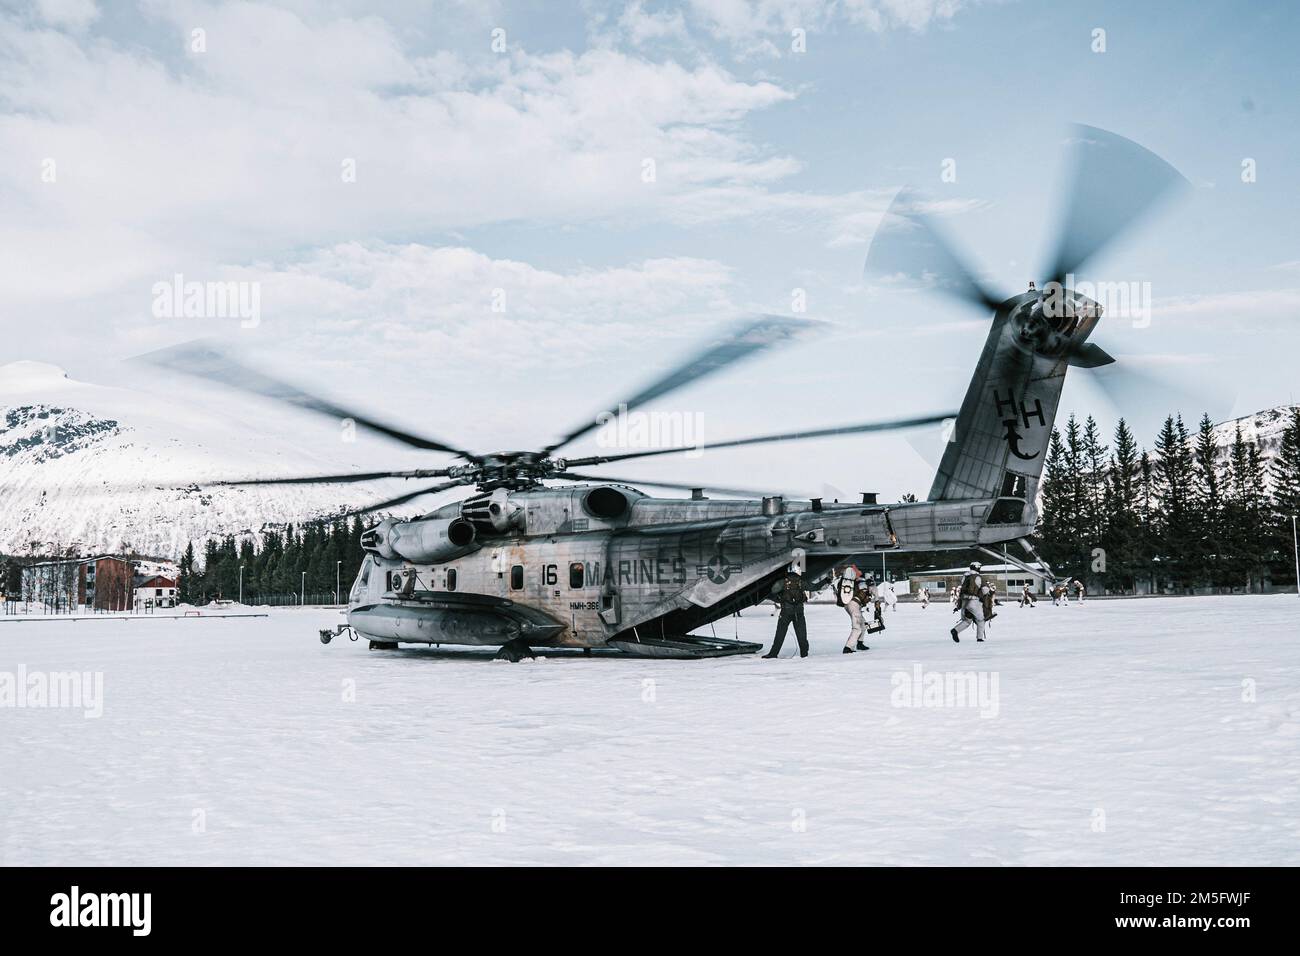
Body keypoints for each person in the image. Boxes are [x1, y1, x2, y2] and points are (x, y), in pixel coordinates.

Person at [763, 565, 810, 658]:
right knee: (802, 635)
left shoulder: (782, 582)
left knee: (780, 634)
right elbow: (815, 587)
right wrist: (826, 581)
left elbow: (773, 590)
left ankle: (773, 654)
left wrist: (779, 597)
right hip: (799, 613)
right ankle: (804, 654)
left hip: (785, 613)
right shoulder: (801, 582)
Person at [836, 566, 870, 654]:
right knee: (857, 627)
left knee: (862, 623)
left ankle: (860, 643)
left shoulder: (843, 583)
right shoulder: (857, 583)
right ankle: (848, 647)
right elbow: (864, 594)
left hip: (847, 605)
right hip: (854, 604)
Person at [950, 561, 987, 643]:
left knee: (967, 620)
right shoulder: (978, 577)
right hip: (973, 601)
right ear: (977, 567)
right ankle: (979, 638)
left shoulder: (965, 576)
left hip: (964, 601)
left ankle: (955, 630)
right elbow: (985, 590)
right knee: (981, 620)